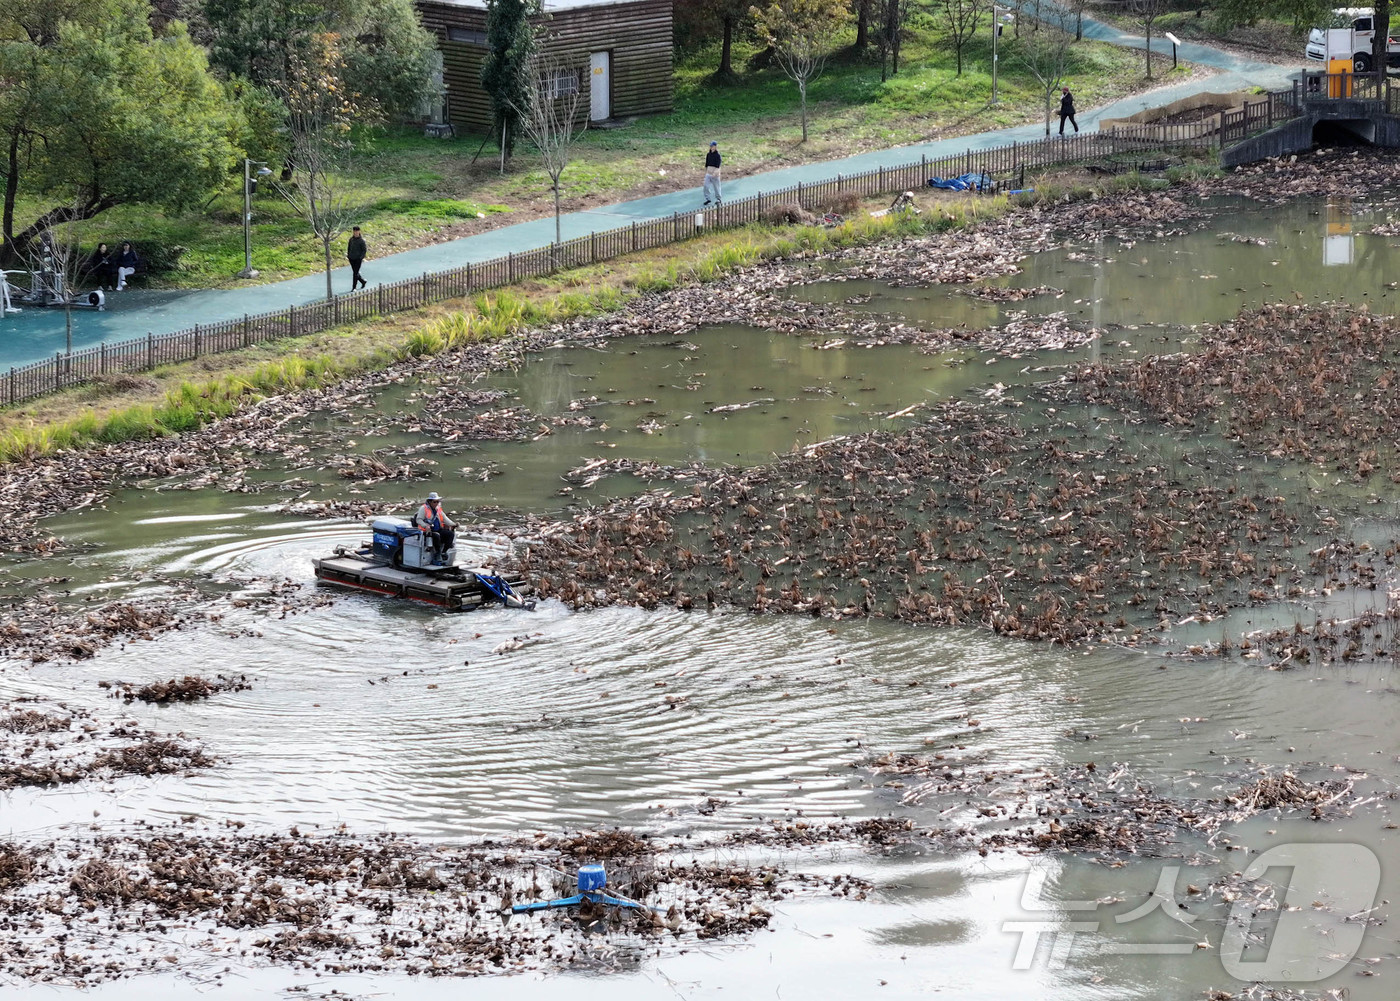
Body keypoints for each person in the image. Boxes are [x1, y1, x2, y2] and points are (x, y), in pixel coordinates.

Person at [413, 491, 456, 563]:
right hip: (426, 531)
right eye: (434, 502)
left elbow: (445, 519)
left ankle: (444, 552)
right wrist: (425, 525)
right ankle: (437, 553)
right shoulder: (423, 508)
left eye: (437, 502)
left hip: (438, 529)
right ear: (430, 502)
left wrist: (453, 524)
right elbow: (418, 519)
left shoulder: (438, 509)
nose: (436, 503)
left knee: (450, 534)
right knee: (436, 535)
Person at [702, 141, 722, 207]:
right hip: (708, 173)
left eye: (713, 146)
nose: (711, 147)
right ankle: (708, 199)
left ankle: (718, 199)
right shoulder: (708, 154)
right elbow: (706, 164)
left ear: (715, 147)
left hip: (715, 174)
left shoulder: (718, 155)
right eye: (710, 146)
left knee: (716, 187)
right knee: (706, 186)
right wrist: (706, 171)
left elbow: (718, 166)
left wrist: (715, 173)